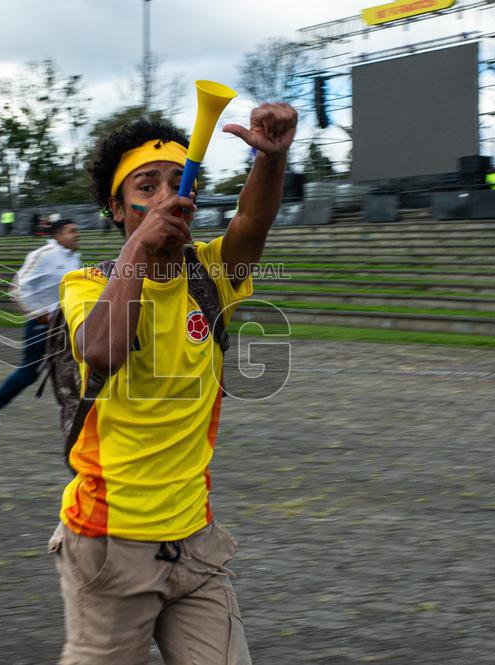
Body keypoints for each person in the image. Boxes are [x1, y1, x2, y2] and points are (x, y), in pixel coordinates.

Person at [50, 103, 298, 664]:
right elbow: (103, 350)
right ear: (117, 208)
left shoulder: (211, 276)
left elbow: (252, 221)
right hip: (109, 545)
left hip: (196, 542)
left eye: (180, 182)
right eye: (147, 186)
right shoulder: (86, 284)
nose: (170, 196)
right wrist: (139, 247)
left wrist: (270, 160)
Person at [0, 218, 81, 427]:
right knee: (30, 373)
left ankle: (78, 415)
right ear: (58, 235)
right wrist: (37, 314)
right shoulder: (43, 255)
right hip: (41, 326)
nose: (77, 234)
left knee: (76, 369)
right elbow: (16, 288)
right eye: (72, 231)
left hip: (65, 326)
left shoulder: (74, 257)